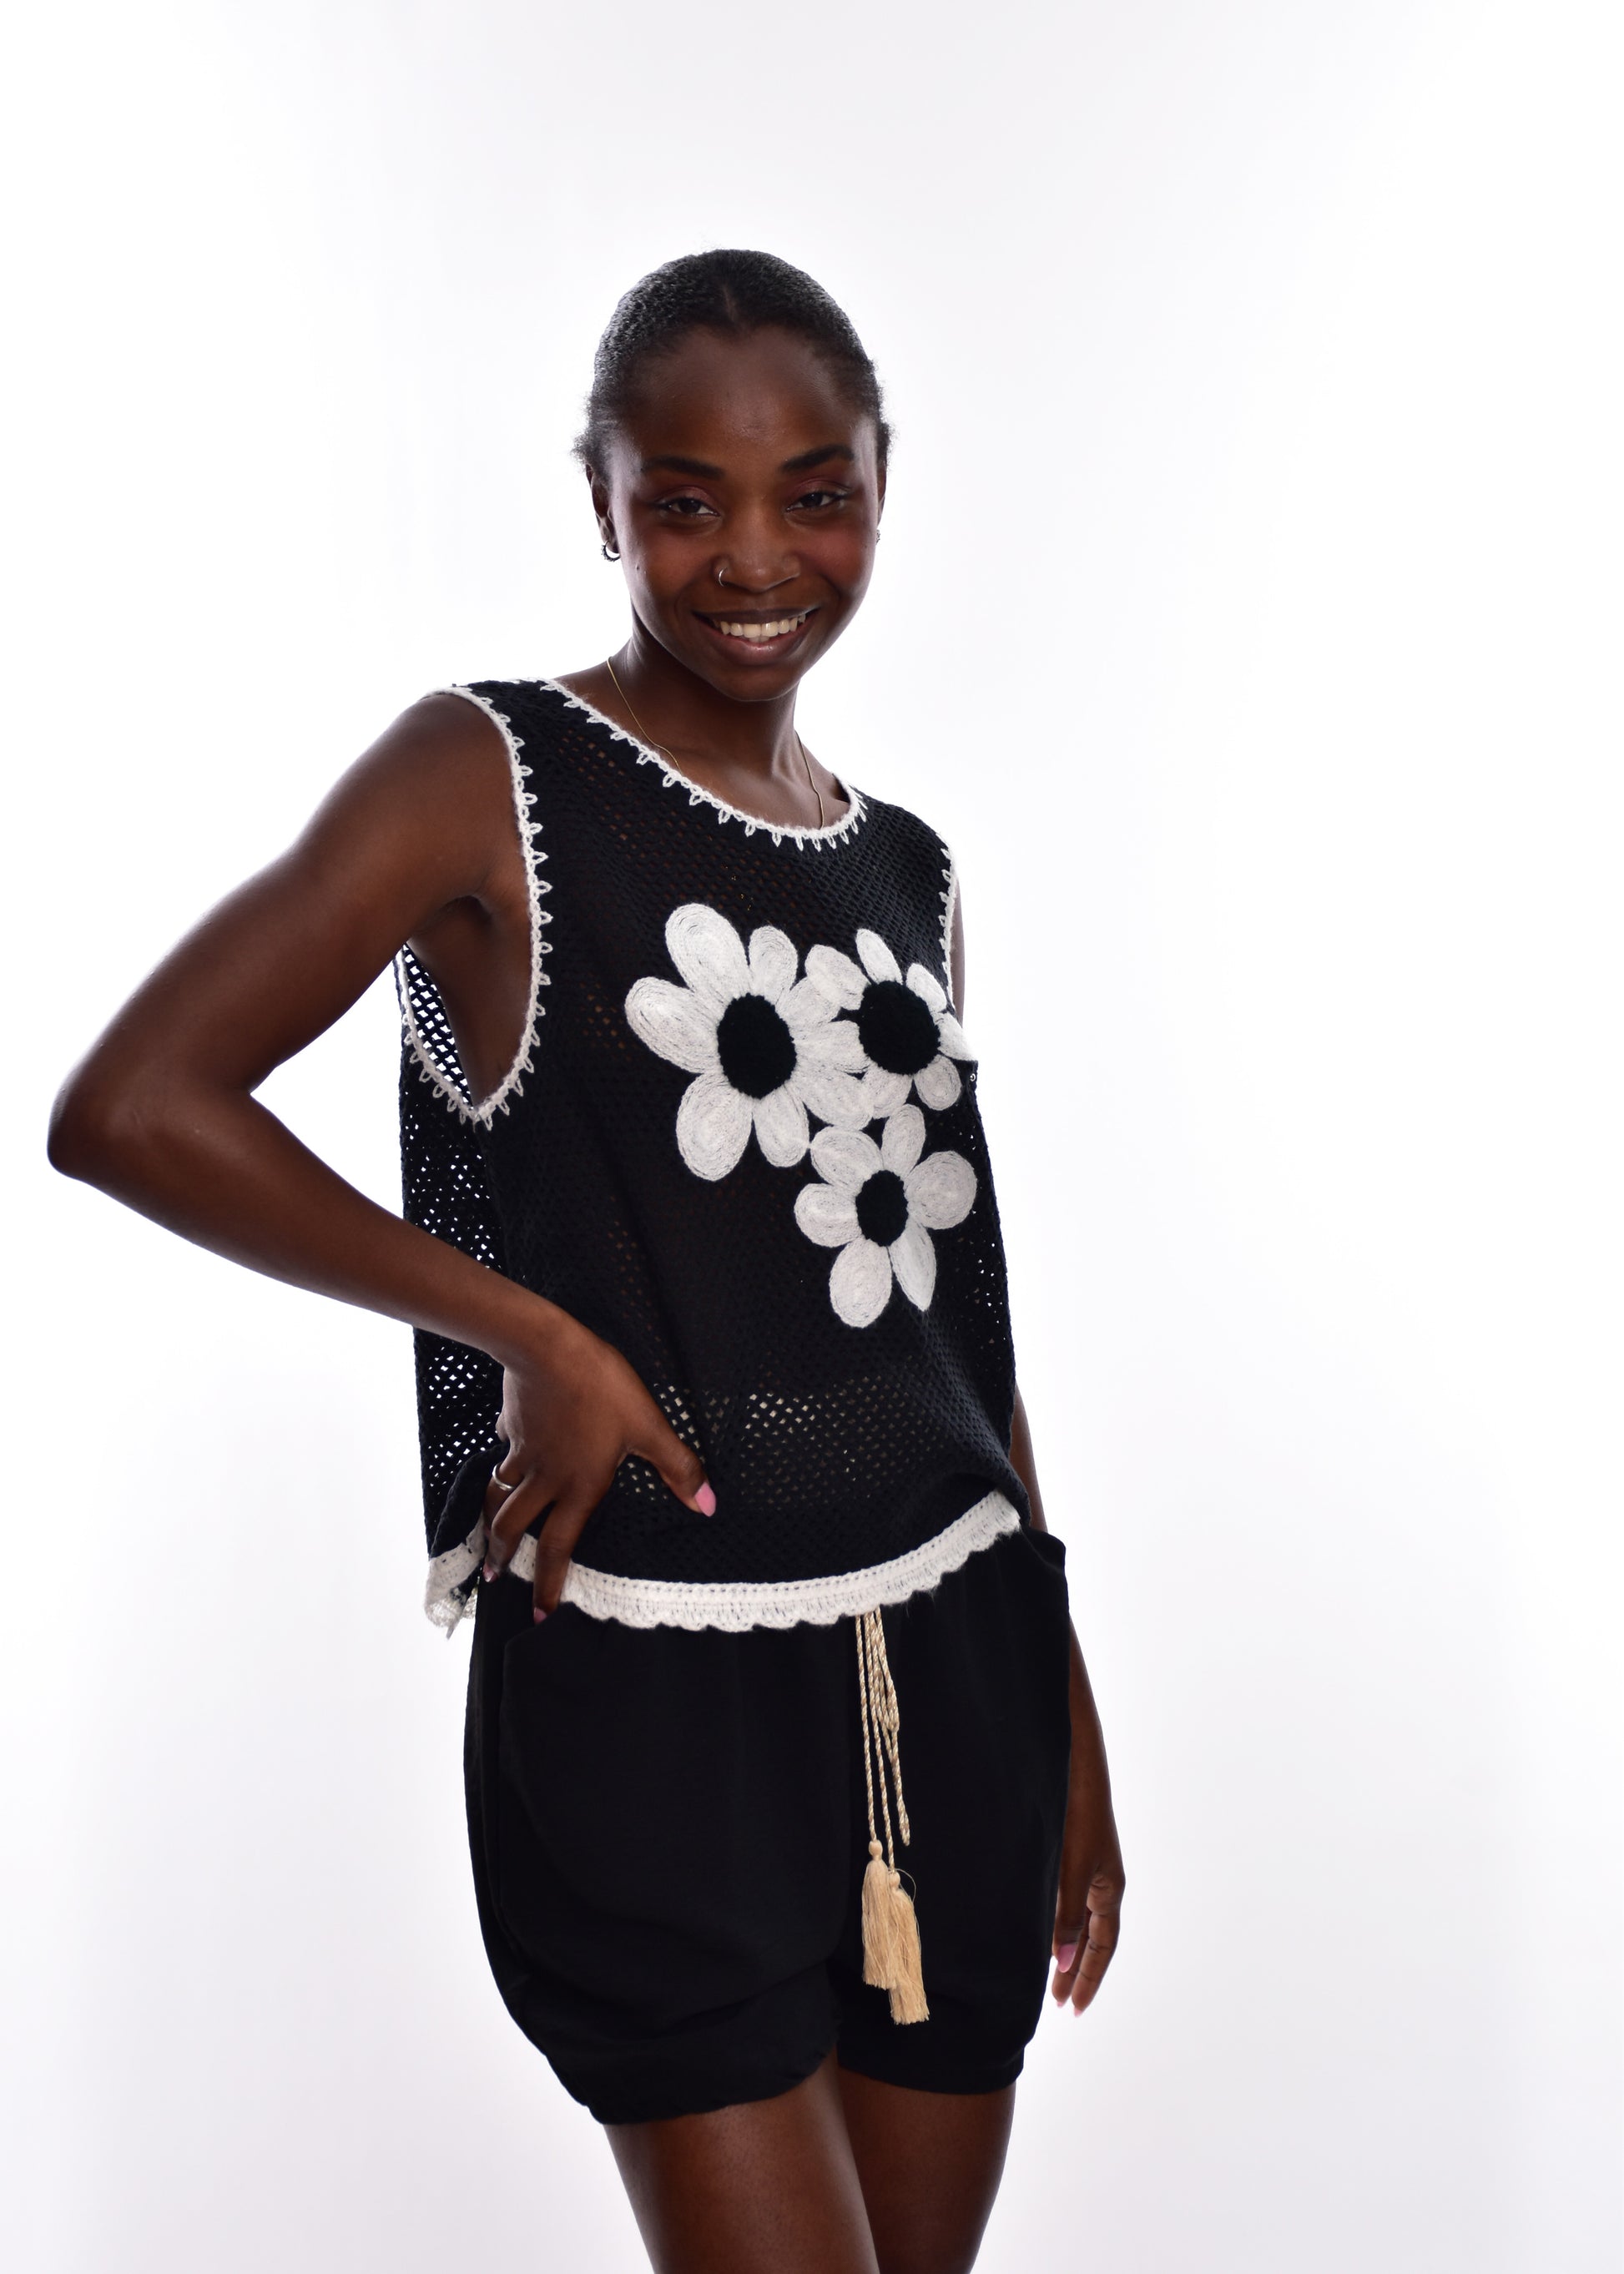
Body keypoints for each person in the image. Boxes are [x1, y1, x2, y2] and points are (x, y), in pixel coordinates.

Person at [48, 249, 1125, 2274]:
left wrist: (1061, 1705)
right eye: (685, 498)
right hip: (653, 1687)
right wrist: (529, 1332)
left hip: (956, 1673)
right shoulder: (491, 773)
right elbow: (133, 1104)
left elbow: (950, 1323)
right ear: (601, 499)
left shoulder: (909, 866)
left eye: (816, 492)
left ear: (884, 487)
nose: (755, 557)